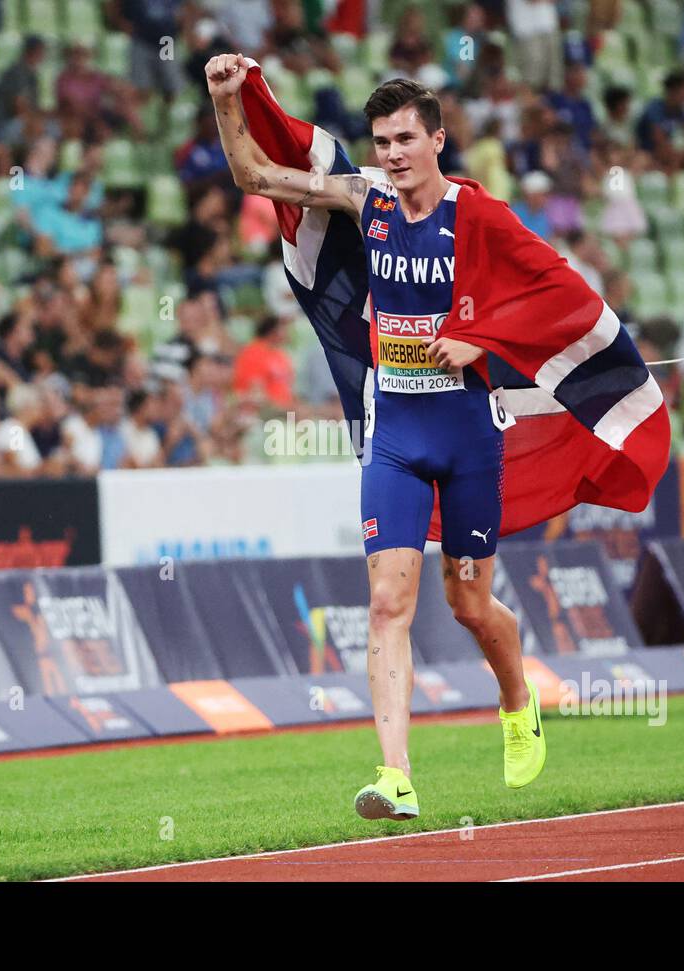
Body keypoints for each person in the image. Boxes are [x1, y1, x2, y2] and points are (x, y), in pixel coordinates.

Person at [206, 53, 547, 820]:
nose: (391, 152)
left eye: (403, 138)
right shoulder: (368, 200)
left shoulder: (479, 214)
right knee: (388, 604)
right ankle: (396, 775)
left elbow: (545, 291)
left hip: (466, 431)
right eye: (381, 139)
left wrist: (480, 342)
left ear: (437, 140)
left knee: (468, 603)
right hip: (392, 429)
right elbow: (255, 178)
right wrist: (226, 100)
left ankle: (516, 697)